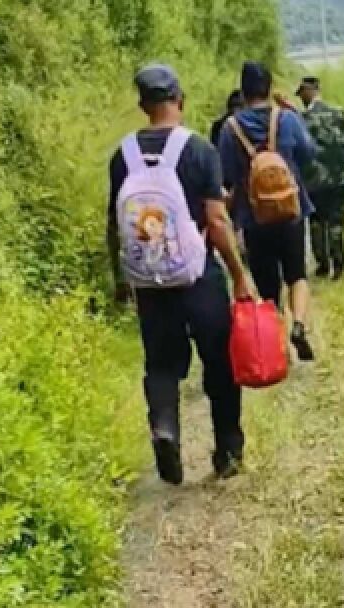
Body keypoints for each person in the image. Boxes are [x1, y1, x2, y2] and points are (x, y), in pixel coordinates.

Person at [107, 63, 254, 484]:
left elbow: (113, 222)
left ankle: (165, 428)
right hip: (199, 276)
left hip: (149, 281)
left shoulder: (124, 154)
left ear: (142, 105)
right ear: (180, 100)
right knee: (219, 363)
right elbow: (217, 220)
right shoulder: (199, 149)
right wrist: (240, 276)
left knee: (162, 364)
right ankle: (227, 451)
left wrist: (120, 278)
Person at [219, 61, 317, 362]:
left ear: (244, 90)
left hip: (253, 218)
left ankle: (278, 347)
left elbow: (225, 174)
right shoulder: (286, 119)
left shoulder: (230, 128)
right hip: (290, 213)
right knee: (297, 274)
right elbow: (310, 153)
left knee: (268, 287)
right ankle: (298, 323)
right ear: (269, 87)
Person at [297, 76, 344, 279]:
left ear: (308, 92)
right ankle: (338, 266)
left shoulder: (301, 119)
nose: (302, 99)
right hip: (338, 177)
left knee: (316, 222)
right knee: (336, 222)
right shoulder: (338, 113)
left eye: (302, 94)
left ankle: (323, 265)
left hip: (313, 180)